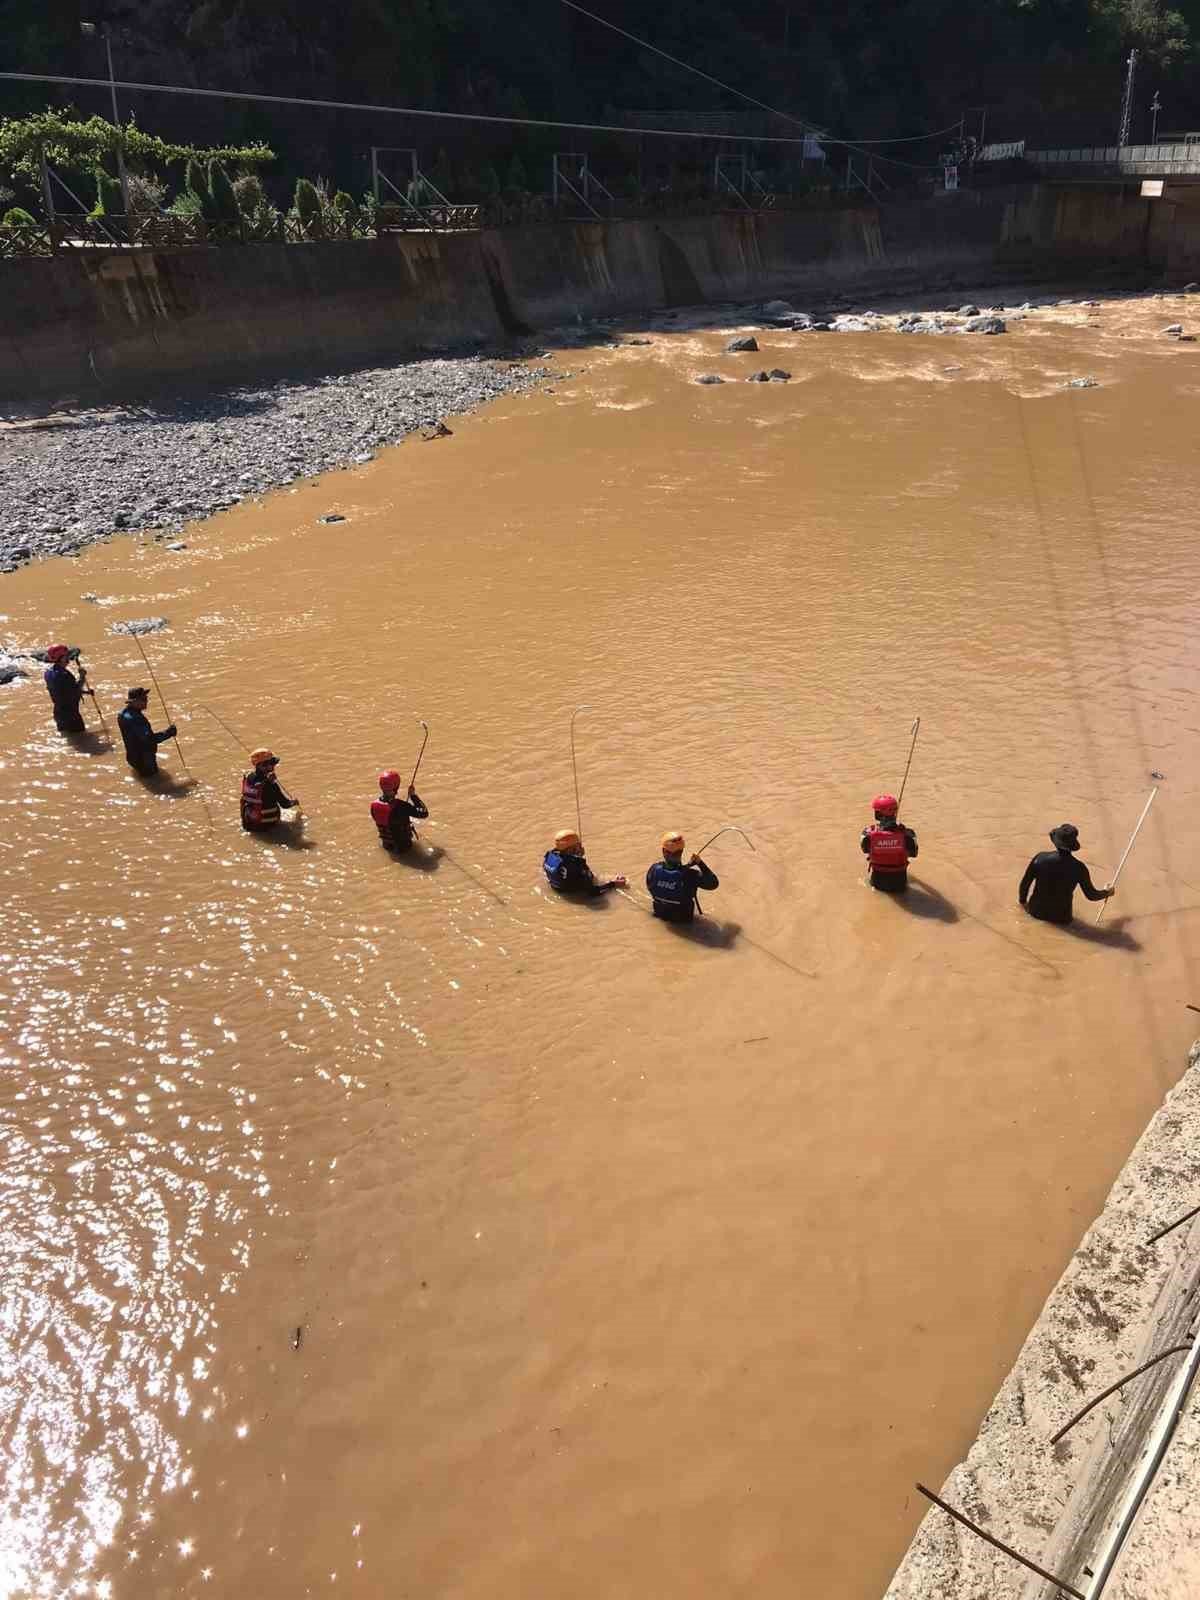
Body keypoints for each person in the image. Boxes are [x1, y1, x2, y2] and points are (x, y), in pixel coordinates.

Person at [1019, 823, 1114, 925]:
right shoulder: (1079, 868)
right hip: (1062, 918)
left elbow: (1025, 884)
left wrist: (1023, 903)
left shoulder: (1040, 858)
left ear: (1055, 842)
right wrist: (1107, 892)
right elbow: (1091, 895)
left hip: (1036, 913)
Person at [646, 831, 719, 923]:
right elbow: (714, 883)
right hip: (684, 923)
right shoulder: (691, 875)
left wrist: (686, 867)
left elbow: (653, 886)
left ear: (664, 851)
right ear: (682, 851)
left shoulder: (653, 870)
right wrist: (700, 863)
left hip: (660, 917)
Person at [861, 793, 918, 892]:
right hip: (900, 883)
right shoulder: (908, 835)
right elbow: (914, 854)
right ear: (895, 813)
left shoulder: (868, 834)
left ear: (878, 814)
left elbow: (864, 850)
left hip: (877, 882)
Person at [542, 828, 626, 895]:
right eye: (578, 845)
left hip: (557, 887)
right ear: (572, 849)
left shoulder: (550, 856)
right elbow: (593, 892)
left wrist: (576, 855)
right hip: (572, 892)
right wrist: (613, 884)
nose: (581, 847)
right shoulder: (577, 866)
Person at [117, 687, 176, 778]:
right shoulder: (135, 719)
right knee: (157, 783)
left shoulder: (123, 714)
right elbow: (149, 739)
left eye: (146, 698)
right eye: (143, 699)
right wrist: (168, 733)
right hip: (144, 760)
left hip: (132, 757)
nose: (147, 701)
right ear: (133, 701)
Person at [241, 748, 299, 831]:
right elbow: (285, 804)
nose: (273, 766)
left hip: (249, 824)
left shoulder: (248, 777)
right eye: (271, 763)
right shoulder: (271, 785)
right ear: (262, 766)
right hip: (269, 827)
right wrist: (294, 802)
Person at [370, 769, 428, 852]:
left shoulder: (373, 805)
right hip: (404, 849)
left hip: (387, 847)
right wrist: (413, 796)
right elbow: (424, 813)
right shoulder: (401, 806)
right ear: (396, 787)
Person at [43, 643, 88, 735]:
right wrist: (82, 677)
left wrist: (85, 692)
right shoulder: (64, 675)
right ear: (61, 658)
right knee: (81, 738)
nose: (68, 658)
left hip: (59, 713)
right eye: (66, 656)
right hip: (71, 715)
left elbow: (62, 692)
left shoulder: (48, 673)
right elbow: (75, 690)